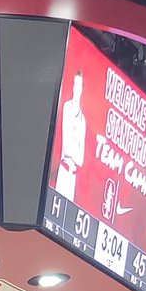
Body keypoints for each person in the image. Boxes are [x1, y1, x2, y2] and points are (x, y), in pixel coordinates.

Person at [54, 68, 86, 202]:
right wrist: (75, 150)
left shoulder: (83, 120)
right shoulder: (67, 107)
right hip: (64, 170)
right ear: (73, 86)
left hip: (73, 176)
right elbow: (67, 148)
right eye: (76, 84)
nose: (77, 88)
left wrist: (74, 152)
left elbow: (81, 160)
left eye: (80, 85)